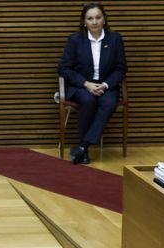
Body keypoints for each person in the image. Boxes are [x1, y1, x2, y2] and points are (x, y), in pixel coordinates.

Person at [58, 2, 126, 164]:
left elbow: (121, 68)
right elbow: (64, 68)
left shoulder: (115, 39)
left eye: (98, 17)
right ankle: (84, 148)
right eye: (90, 18)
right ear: (84, 22)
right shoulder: (75, 40)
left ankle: (83, 146)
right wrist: (86, 84)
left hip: (106, 86)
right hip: (81, 86)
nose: (94, 22)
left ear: (104, 19)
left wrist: (105, 85)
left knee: (109, 103)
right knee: (87, 100)